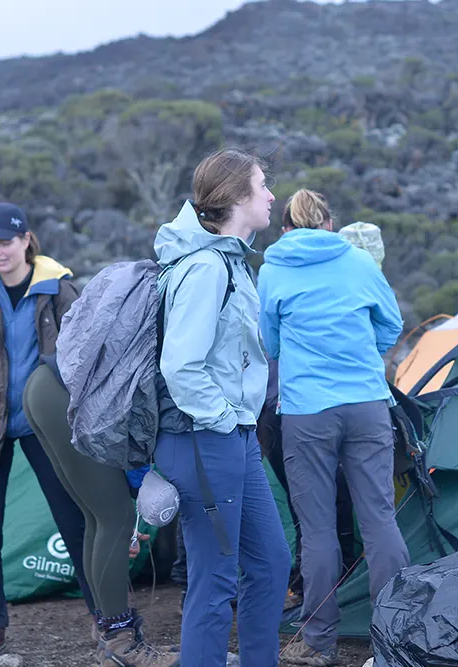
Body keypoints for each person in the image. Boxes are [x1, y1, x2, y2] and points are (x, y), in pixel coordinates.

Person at [0, 202, 96, 667]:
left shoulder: (58, 291)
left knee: (75, 522)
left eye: (4, 242)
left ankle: (107, 617)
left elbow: (88, 357)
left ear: (26, 240)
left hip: (44, 427)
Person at [258, 189, 409, 666]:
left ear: (285, 230)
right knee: (379, 520)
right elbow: (391, 326)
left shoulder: (274, 270)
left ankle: (318, 641)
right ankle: (397, 634)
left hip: (307, 413)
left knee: (317, 529)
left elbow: (270, 340)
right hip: (367, 404)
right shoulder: (361, 263)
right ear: (328, 224)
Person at [153, 148, 292, 667]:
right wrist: (222, 420)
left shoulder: (229, 261)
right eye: (262, 185)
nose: (272, 195)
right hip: (205, 438)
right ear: (236, 197)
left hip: (234, 437)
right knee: (214, 580)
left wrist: (237, 427)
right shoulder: (207, 268)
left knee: (272, 562)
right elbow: (181, 365)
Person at [22, 361, 180, 666]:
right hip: (69, 392)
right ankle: (120, 643)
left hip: (46, 383)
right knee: (115, 519)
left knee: (97, 517)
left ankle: (109, 633)